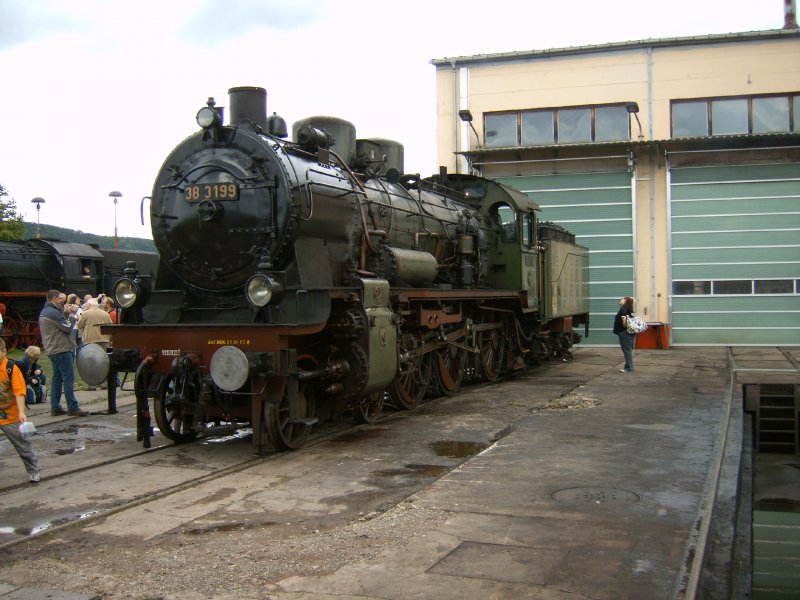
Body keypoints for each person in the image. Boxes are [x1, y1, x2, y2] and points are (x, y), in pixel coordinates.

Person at [38, 289, 88, 416]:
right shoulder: (53, 313)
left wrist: (64, 313)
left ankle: (55, 407)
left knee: (57, 378)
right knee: (68, 377)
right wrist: (71, 317)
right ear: (54, 298)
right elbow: (67, 328)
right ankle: (72, 406)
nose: (63, 302)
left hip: (52, 349)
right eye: (60, 299)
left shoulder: (46, 311)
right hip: (61, 348)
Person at [0, 338, 41, 483]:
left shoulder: (11, 368)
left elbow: (19, 391)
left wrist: (21, 411)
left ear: (4, 352)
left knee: (22, 444)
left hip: (10, 414)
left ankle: (33, 469)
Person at [613, 296, 636, 372]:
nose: (620, 300)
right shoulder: (628, 307)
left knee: (626, 350)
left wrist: (624, 325)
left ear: (625, 300)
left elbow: (624, 316)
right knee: (628, 349)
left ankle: (629, 368)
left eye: (622, 299)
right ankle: (628, 366)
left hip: (624, 332)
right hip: (628, 332)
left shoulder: (624, 307)